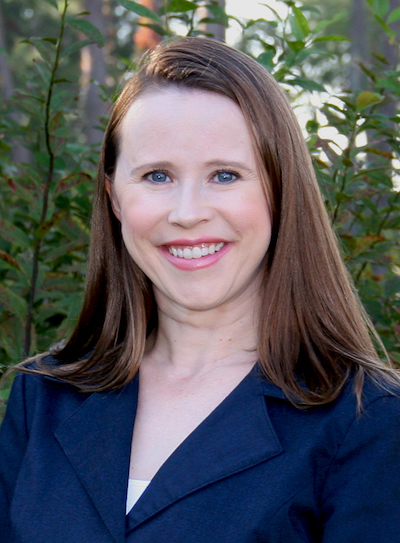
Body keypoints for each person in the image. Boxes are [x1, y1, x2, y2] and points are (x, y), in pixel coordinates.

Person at [1, 36, 400, 543]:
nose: (187, 212)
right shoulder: (45, 395)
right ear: (115, 197)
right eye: (157, 175)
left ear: (280, 191)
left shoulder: (369, 421)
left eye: (226, 175)